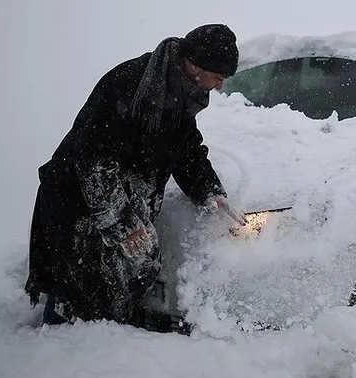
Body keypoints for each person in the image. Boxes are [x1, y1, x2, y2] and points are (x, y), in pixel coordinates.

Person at [25, 24, 246, 328]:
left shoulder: (181, 93)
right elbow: (94, 162)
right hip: (80, 202)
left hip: (118, 198)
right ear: (195, 65)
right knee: (80, 289)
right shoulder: (130, 85)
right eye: (219, 77)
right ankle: (59, 345)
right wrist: (125, 226)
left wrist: (210, 191)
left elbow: (186, 150)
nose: (220, 86)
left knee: (128, 275)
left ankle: (110, 332)